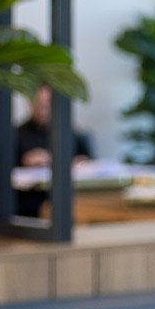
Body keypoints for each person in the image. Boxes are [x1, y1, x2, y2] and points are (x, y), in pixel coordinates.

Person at [13, 85, 93, 217]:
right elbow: (4, 170)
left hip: (69, 194)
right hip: (32, 199)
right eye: (39, 104)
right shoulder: (16, 134)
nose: (44, 110)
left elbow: (88, 160)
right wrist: (24, 162)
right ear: (29, 103)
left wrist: (79, 162)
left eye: (47, 104)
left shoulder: (70, 131)